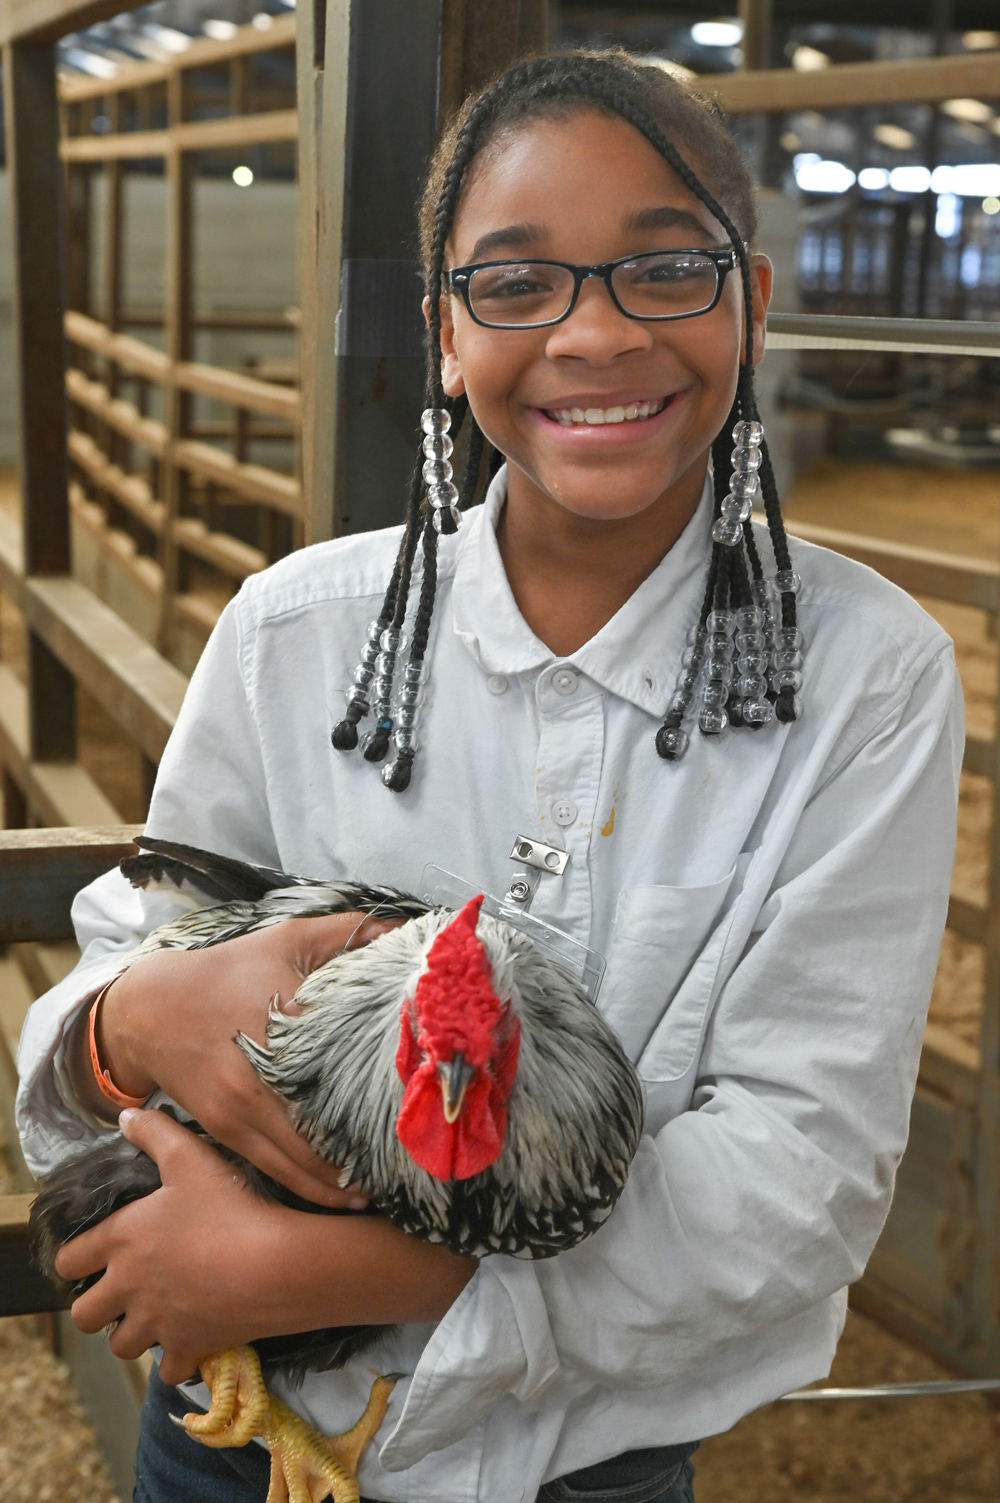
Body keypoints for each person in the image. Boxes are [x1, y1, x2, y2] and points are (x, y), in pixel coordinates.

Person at [17, 49, 960, 1503]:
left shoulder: (866, 677)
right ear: (446, 335)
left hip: (589, 1461)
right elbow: (87, 1027)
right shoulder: (293, 636)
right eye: (516, 284)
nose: (593, 335)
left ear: (752, 303)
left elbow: (797, 1181)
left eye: (664, 271)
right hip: (221, 1436)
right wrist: (132, 1020)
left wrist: (315, 1267)